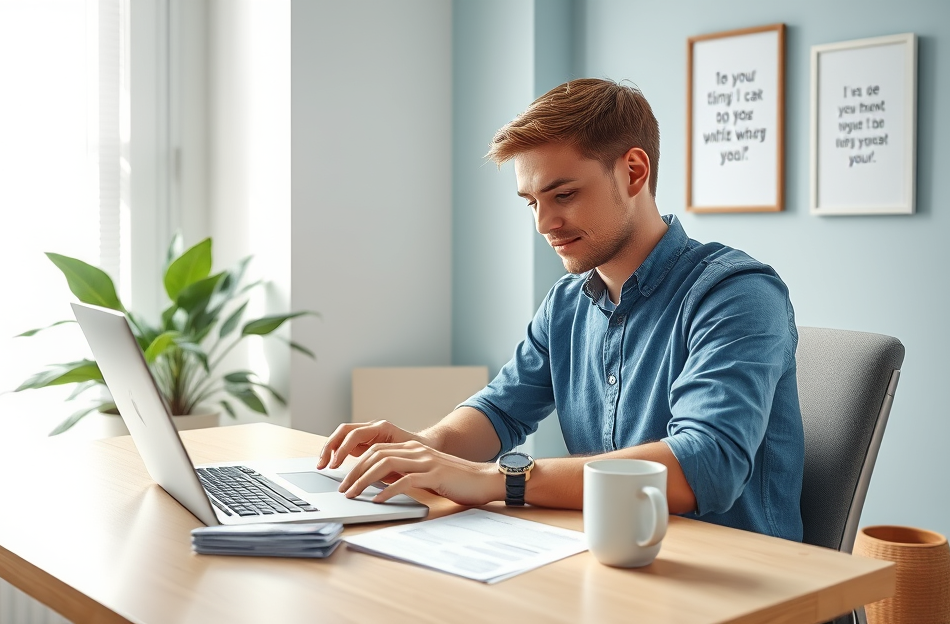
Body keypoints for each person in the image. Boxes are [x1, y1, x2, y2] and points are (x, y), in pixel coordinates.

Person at [317, 78, 803, 541]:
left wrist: (498, 479)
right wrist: (422, 450)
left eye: (563, 195)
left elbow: (706, 464)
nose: (544, 224)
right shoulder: (568, 304)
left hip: (741, 586)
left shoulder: (736, 294)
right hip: (610, 565)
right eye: (531, 202)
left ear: (634, 171)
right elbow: (499, 412)